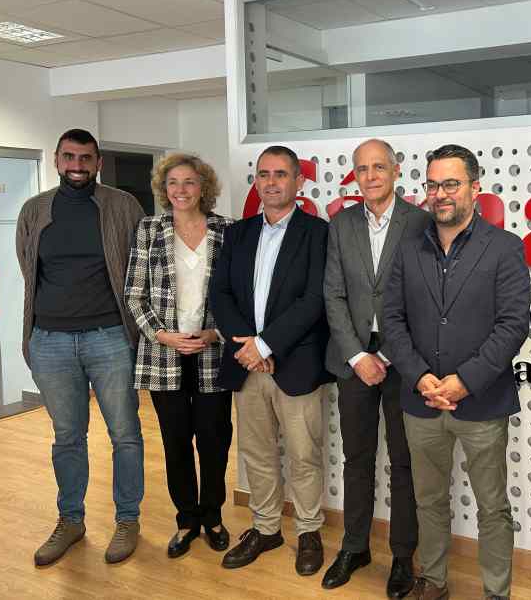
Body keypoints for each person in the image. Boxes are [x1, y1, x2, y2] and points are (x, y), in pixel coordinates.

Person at [383, 144, 530, 600]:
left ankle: (496, 592)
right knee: (428, 501)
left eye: (451, 183)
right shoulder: (408, 249)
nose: (440, 193)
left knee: (492, 507)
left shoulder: (504, 247)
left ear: (475, 187)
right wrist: (418, 376)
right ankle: (434, 581)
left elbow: (513, 324)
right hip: (421, 401)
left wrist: (465, 381)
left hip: (481, 402)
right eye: (432, 185)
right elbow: (392, 320)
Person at [16, 128, 145, 566]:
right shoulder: (35, 210)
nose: (77, 165)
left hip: (110, 338)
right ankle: (70, 521)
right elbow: (28, 266)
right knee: (67, 437)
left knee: (125, 434)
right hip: (49, 340)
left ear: (98, 163)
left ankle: (127, 520)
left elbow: (140, 268)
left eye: (85, 158)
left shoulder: (123, 206)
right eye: (69, 157)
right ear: (56, 160)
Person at [209, 145, 331, 575]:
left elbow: (314, 299)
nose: (272, 182)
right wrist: (249, 348)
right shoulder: (237, 233)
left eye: (281, 174)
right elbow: (220, 293)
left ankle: (309, 530)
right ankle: (265, 528)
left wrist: (266, 346)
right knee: (256, 452)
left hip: (295, 364)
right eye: (264, 174)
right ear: (256, 181)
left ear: (299, 181)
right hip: (247, 365)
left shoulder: (318, 233)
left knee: (304, 454)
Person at [322, 139, 429, 597]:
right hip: (352, 359)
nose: (370, 176)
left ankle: (403, 555)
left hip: (403, 360)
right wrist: (357, 356)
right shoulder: (341, 224)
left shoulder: (421, 223)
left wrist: (386, 356)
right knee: (357, 458)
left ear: (396, 170)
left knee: (403, 461)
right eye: (362, 169)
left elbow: (426, 298)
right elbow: (333, 294)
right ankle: (354, 546)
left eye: (379, 167)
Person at [124, 154, 234, 559]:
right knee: (175, 442)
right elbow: (134, 294)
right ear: (163, 188)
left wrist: (216, 333)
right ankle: (186, 519)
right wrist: (163, 335)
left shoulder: (227, 230)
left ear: (203, 187)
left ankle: (213, 516)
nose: (181, 190)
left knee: (214, 440)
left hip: (211, 352)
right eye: (173, 182)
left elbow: (239, 295)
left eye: (189, 182)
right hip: (163, 355)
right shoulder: (148, 229)